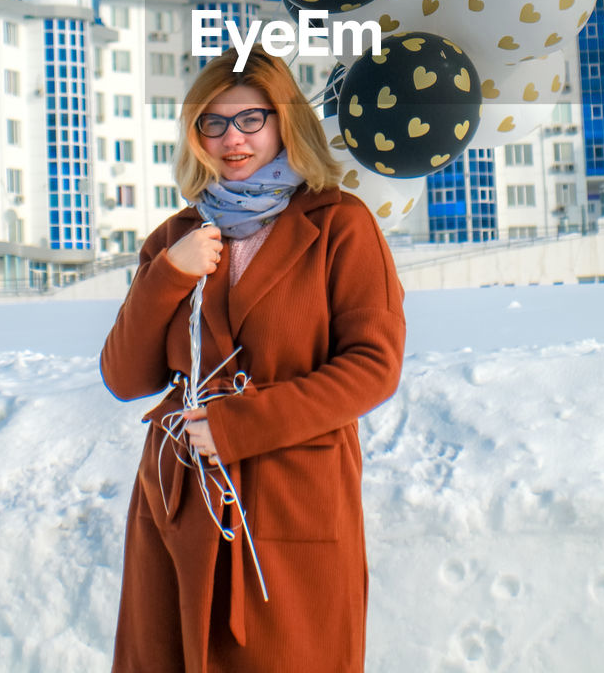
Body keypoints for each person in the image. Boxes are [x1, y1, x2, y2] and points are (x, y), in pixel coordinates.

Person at [100, 46, 406, 673]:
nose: (231, 139)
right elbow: (125, 377)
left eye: (251, 120)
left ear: (285, 122)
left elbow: (374, 365)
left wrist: (240, 427)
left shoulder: (341, 225)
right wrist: (167, 275)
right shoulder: (173, 237)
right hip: (181, 498)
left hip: (292, 495)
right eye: (212, 122)